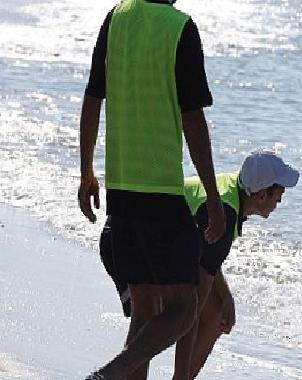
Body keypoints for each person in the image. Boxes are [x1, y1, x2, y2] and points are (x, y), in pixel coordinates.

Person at [78, 0, 226, 379]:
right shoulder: (179, 27)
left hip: (121, 188)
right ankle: (107, 375)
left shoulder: (116, 18)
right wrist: (212, 196)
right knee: (185, 308)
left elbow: (93, 97)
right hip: (159, 192)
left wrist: (86, 172)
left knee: (145, 314)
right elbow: (193, 120)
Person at [99, 149, 299, 379]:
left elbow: (202, 259)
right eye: (279, 192)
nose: (281, 198)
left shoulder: (232, 190)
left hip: (142, 233)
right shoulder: (224, 213)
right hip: (126, 237)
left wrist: (225, 295)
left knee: (214, 313)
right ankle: (110, 375)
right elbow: (192, 305)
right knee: (153, 317)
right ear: (262, 195)